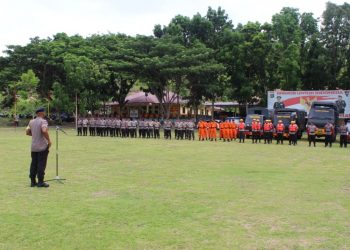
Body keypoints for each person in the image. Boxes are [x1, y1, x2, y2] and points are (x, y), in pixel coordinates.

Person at [26, 107, 51, 188]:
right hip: (42, 146)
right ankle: (40, 182)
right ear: (41, 113)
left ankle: (33, 182)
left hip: (33, 146)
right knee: (41, 164)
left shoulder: (31, 121)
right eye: (44, 112)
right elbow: (44, 131)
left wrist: (35, 135)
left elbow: (27, 132)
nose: (45, 113)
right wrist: (49, 140)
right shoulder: (43, 121)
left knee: (33, 163)